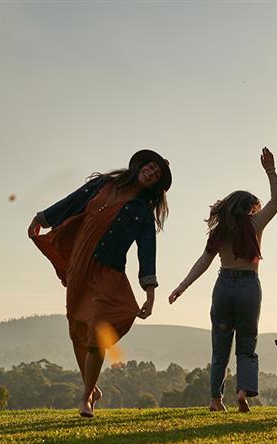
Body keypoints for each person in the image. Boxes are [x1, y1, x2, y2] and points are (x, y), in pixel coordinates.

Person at [28, 150, 172, 417]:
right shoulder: (102, 185)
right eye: (151, 167)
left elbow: (147, 254)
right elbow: (72, 202)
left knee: (97, 333)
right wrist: (42, 218)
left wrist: (150, 293)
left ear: (155, 185)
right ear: (140, 166)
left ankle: (86, 398)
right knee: (78, 328)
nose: (151, 173)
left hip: (109, 273)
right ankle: (92, 388)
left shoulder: (142, 213)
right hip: (80, 266)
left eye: (157, 175)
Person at [169, 147, 277, 413]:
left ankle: (215, 400)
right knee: (246, 343)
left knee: (220, 348)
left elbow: (203, 262)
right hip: (248, 287)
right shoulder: (254, 225)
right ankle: (243, 392)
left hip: (223, 288)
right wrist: (270, 170)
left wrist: (181, 287)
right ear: (249, 208)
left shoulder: (219, 232)